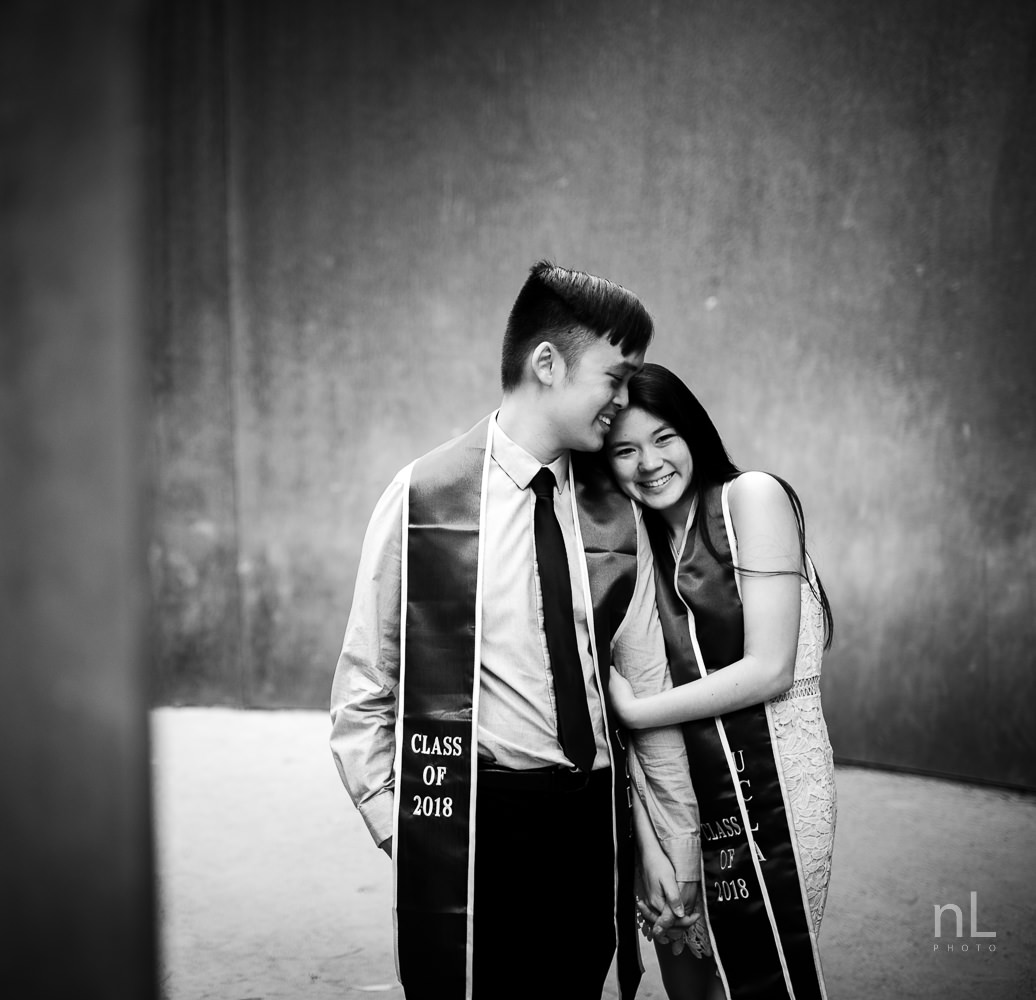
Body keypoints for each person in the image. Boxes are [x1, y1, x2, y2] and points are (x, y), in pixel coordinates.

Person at [329, 262, 701, 1000]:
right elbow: (364, 691)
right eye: (614, 377)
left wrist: (674, 837)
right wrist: (408, 832)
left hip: (591, 825)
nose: (624, 400)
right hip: (479, 823)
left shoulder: (615, 512)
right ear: (547, 363)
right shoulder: (424, 499)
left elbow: (649, 685)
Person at [602, 363, 836, 1000]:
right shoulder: (632, 546)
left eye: (664, 437)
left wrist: (638, 711)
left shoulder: (749, 499)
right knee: (687, 982)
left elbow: (770, 667)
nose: (648, 462)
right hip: (680, 794)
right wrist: (648, 839)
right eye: (625, 449)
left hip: (775, 788)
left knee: (762, 980)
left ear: (695, 433)